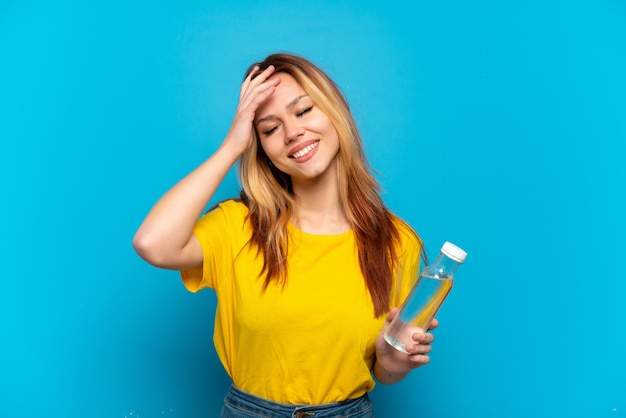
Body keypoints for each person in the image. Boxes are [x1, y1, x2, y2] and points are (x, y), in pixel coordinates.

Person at [133, 52, 438, 417]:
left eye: (304, 110)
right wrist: (232, 145)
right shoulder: (238, 226)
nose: (293, 132)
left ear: (334, 110)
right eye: (269, 129)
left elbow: (385, 371)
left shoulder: (397, 241)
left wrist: (393, 361)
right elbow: (153, 243)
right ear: (258, 145)